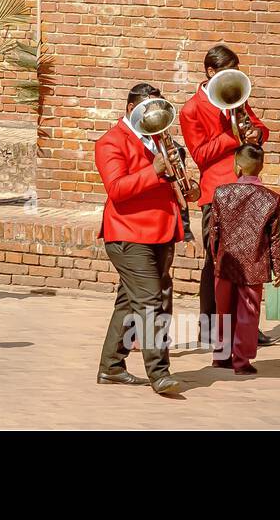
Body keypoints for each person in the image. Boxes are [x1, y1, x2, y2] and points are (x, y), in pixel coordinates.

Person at [179, 44, 274, 348]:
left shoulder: (236, 99)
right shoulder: (191, 109)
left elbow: (259, 129)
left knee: (248, 261)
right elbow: (200, 155)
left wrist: (256, 134)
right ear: (210, 72)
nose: (232, 76)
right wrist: (233, 136)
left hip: (247, 189)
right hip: (217, 193)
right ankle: (208, 329)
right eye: (226, 71)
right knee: (216, 263)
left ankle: (245, 326)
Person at [94, 83, 185, 396]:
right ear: (129, 107)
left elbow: (171, 182)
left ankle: (111, 367)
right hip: (127, 233)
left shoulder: (161, 139)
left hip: (160, 230)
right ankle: (160, 373)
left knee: (129, 302)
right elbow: (117, 189)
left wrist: (184, 180)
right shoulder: (110, 142)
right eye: (145, 110)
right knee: (150, 302)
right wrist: (155, 169)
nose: (152, 116)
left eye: (156, 109)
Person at [204, 144, 280, 375]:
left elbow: (214, 232)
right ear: (261, 167)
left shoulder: (221, 192)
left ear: (237, 166)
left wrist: (216, 258)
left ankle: (220, 356)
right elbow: (275, 238)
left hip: (226, 262)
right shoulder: (272, 199)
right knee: (248, 315)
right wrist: (278, 267)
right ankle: (241, 362)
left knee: (223, 312)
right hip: (254, 264)